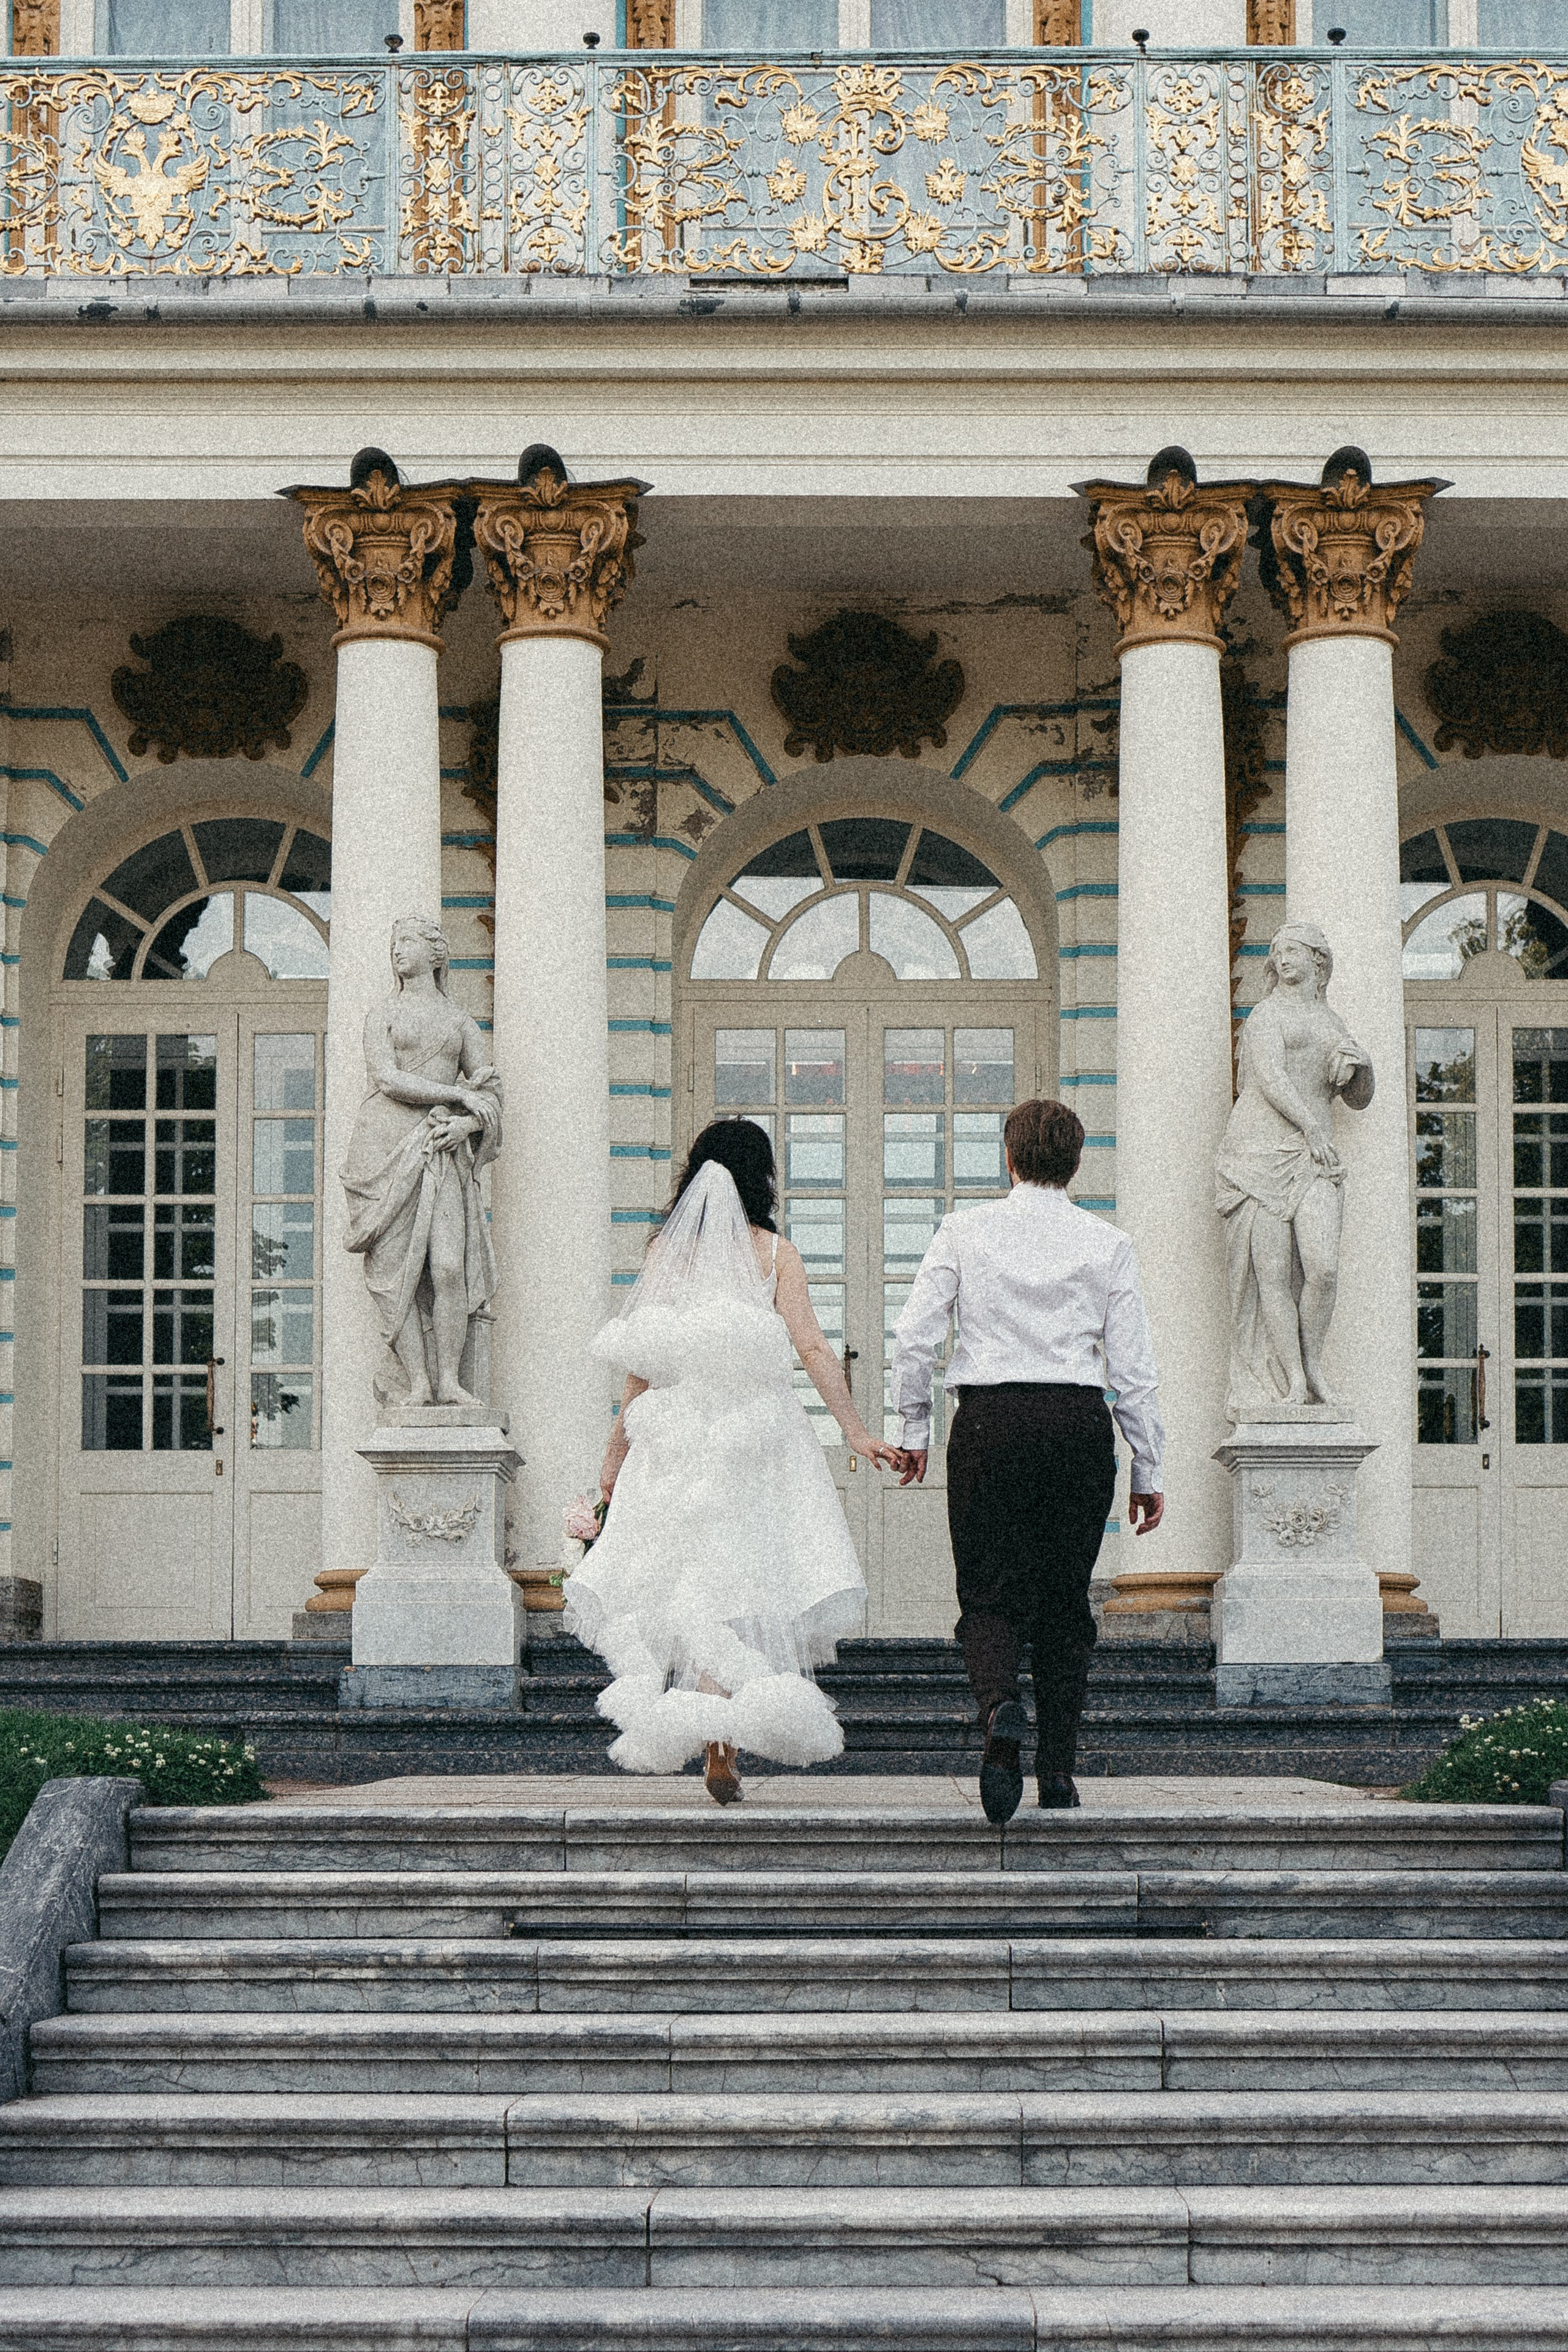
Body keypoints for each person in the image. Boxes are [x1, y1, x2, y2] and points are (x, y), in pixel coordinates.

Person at [565, 1117, 902, 1803]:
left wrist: (614, 1458)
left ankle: (710, 1730)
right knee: (743, 1577)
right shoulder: (775, 1254)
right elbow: (812, 1349)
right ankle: (720, 1723)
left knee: (685, 1578)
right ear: (763, 1177)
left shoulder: (666, 1254)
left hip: (677, 1436)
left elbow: (642, 1366)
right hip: (756, 1438)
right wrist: (856, 1431)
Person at [891, 1098, 1164, 1823]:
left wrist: (913, 1430)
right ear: (1075, 1164)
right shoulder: (1106, 1243)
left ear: (1007, 1159)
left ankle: (1000, 1708)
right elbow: (1133, 1366)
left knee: (987, 1592)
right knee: (1065, 1606)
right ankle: (1059, 1773)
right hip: (1076, 1424)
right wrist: (1148, 1466)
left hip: (991, 1422)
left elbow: (915, 1339)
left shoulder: (963, 1231)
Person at [340, 914, 502, 1410]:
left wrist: (467, 1126)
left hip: (440, 1148)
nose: (397, 949)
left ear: (436, 954)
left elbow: (491, 1091)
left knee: (449, 1267)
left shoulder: (458, 1021)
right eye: (394, 942)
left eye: (407, 940)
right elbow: (386, 1078)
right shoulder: (382, 1014)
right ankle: (418, 1383)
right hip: (383, 1148)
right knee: (396, 1275)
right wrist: (457, 1095)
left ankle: (450, 1380)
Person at [1215, 919, 1373, 1419]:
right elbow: (1269, 1078)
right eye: (1278, 952)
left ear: (1318, 962)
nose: (1283, 960)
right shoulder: (1267, 1015)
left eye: (1294, 951)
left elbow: (1358, 1099)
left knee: (1323, 1268)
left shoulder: (1333, 1022)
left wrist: (1363, 1067)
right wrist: (1312, 1128)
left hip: (1313, 1154)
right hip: (1261, 1152)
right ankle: (1296, 1381)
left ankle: (1314, 1363)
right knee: (1273, 1276)